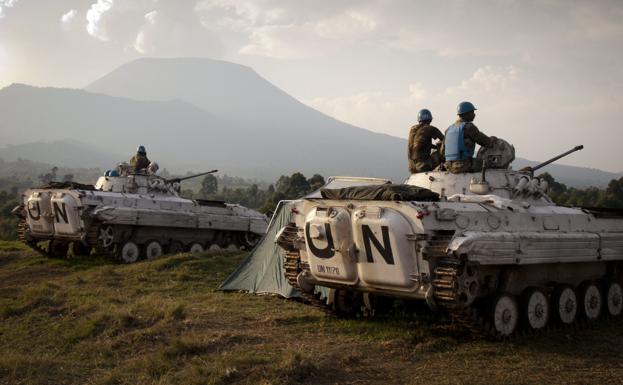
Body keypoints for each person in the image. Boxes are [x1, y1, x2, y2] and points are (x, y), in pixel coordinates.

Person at [443, 101, 494, 173]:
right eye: (472, 112)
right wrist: (493, 140)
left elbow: (442, 151)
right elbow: (486, 142)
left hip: (448, 166)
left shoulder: (448, 130)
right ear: (466, 114)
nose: (474, 115)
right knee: (489, 162)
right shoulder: (468, 127)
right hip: (463, 165)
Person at [408, 108, 445, 173]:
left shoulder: (412, 129)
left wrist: (435, 147)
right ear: (430, 119)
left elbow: (420, 144)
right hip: (423, 166)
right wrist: (439, 147)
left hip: (412, 168)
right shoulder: (430, 128)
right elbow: (446, 140)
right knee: (441, 154)